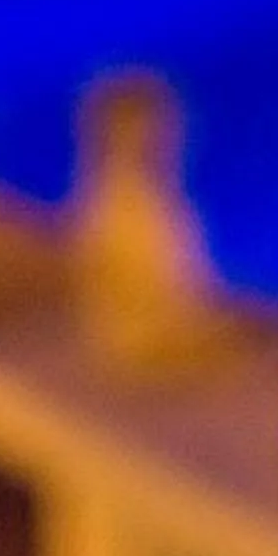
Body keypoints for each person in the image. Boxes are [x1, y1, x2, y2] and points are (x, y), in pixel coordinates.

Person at [67, 69, 238, 379]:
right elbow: (124, 300)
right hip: (147, 344)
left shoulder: (151, 193)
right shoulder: (120, 204)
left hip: (166, 331)